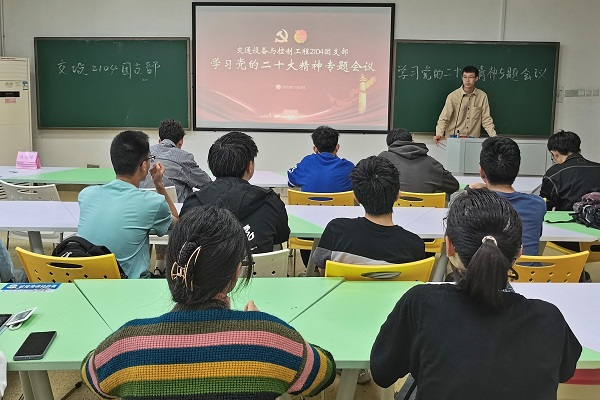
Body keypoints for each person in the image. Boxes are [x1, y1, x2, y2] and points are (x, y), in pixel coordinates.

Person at [81, 205, 336, 400]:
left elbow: (91, 375)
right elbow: (323, 374)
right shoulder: (273, 339)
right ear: (236, 273)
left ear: (171, 266)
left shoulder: (126, 346)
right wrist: (261, 325)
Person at [370, 188, 581, 400]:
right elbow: (565, 371)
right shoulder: (549, 318)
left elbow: (382, 373)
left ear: (449, 246)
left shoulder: (421, 303)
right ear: (519, 252)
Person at [77, 130, 178, 279]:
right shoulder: (152, 203)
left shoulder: (86, 195)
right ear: (143, 165)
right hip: (130, 285)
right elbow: (177, 222)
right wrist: (159, 184)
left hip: (88, 282)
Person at [180, 131, 289, 253]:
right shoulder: (270, 202)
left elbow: (182, 243)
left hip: (208, 265)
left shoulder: (193, 203)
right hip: (257, 265)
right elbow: (281, 236)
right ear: (249, 166)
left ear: (212, 165)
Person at [314, 156, 426, 272]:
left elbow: (322, 270)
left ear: (356, 198)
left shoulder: (336, 230)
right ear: (398, 195)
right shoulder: (414, 245)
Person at [473, 137, 546, 256]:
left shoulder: (472, 203)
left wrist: (469, 190)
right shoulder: (538, 204)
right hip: (528, 268)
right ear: (517, 171)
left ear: (481, 172)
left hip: (488, 268)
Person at [140, 118, 211, 203]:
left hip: (144, 205)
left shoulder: (144, 153)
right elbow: (207, 183)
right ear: (181, 142)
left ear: (159, 141)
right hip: (174, 208)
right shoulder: (184, 157)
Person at [379, 128, 459, 195]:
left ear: (389, 146)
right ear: (412, 141)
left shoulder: (382, 159)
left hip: (392, 208)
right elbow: (454, 186)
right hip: (427, 208)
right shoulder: (432, 164)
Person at [434, 66, 497, 144]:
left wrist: (494, 137)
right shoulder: (453, 96)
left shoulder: (482, 96)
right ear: (462, 78)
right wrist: (439, 134)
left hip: (472, 140)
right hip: (453, 140)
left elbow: (486, 119)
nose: (467, 80)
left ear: (476, 78)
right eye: (465, 77)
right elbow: (444, 118)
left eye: (470, 77)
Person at [541, 130, 600, 211]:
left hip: (567, 218)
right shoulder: (597, 167)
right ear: (578, 150)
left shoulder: (553, 173)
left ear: (554, 153)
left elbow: (544, 205)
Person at [287, 125, 355, 193]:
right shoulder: (349, 167)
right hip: (340, 200)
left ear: (315, 149)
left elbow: (291, 181)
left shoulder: (307, 162)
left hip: (309, 200)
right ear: (337, 147)